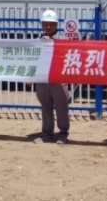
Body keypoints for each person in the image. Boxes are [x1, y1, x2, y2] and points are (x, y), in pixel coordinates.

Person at [33, 10, 71, 145]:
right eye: (45, 24)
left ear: (56, 25)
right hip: (43, 79)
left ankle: (63, 133)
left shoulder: (63, 39)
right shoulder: (37, 40)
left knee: (61, 107)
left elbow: (66, 54)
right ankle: (46, 133)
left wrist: (51, 41)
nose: (48, 27)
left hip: (58, 79)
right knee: (46, 107)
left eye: (51, 24)